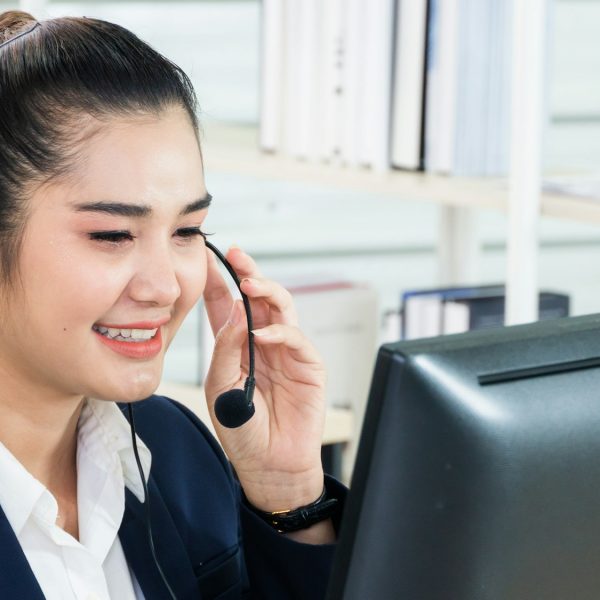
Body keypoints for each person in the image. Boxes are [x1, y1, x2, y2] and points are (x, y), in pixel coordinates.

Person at [0, 11, 345, 600]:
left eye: (187, 230)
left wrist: (287, 495)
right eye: (112, 235)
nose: (163, 287)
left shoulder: (176, 449)